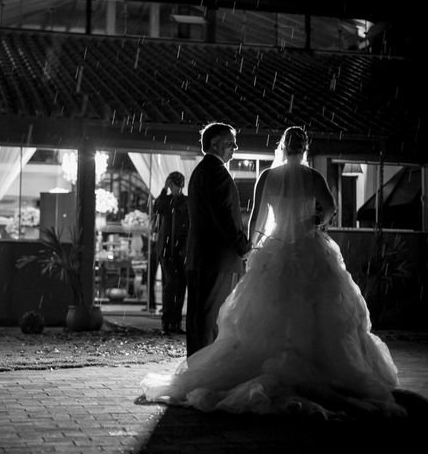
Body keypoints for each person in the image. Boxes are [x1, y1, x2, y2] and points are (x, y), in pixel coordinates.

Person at [140, 126, 406, 418]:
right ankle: (321, 366)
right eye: (231, 144)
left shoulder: (268, 177)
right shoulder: (313, 177)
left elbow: (257, 219)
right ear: (304, 149)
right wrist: (314, 222)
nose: (235, 148)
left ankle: (229, 367)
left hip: (274, 249)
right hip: (310, 249)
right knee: (320, 311)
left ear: (282, 147)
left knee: (260, 314)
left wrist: (254, 250)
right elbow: (330, 208)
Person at [185, 122, 252, 356]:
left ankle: (195, 366)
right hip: (217, 258)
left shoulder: (201, 171)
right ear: (214, 144)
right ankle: (204, 369)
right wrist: (244, 247)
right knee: (210, 318)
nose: (235, 146)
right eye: (230, 142)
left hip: (201, 256)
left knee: (198, 316)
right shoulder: (217, 173)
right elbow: (225, 217)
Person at [153, 171, 189, 335]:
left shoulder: (185, 202)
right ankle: (168, 321)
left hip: (179, 251)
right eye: (174, 186)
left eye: (177, 186)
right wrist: (164, 189)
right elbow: (157, 207)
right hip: (167, 251)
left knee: (179, 287)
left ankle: (174, 321)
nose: (176, 189)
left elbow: (188, 225)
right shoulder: (166, 201)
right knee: (171, 286)